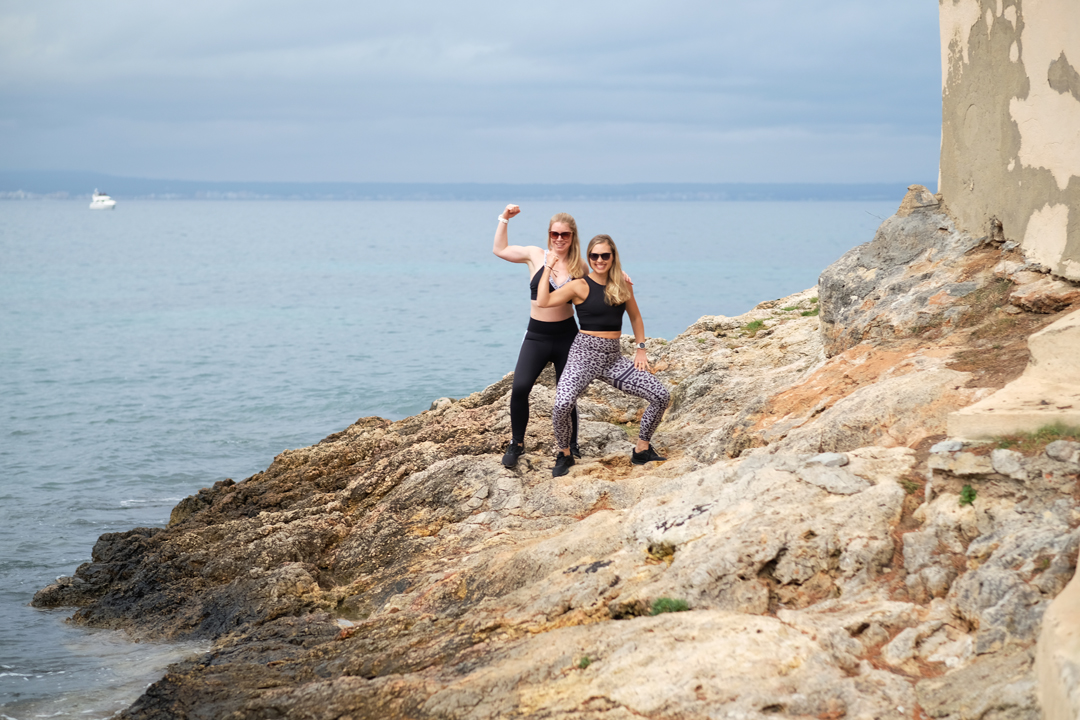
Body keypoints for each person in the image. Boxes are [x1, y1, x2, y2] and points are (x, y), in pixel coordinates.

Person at [537, 234, 670, 477]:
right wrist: (548, 267)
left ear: (613, 257)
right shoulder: (579, 285)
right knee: (562, 404)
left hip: (613, 359)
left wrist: (641, 349)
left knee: (661, 395)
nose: (599, 260)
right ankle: (565, 453)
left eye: (605, 255)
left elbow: (635, 317)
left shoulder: (622, 284)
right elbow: (543, 301)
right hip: (582, 356)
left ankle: (642, 449)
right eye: (594, 256)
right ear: (589, 257)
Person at [492, 205, 585, 467]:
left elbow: (597, 290)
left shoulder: (580, 266)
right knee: (520, 388)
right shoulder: (536, 255)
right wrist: (504, 219)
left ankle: (572, 444)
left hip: (567, 336)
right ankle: (517, 443)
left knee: (567, 394)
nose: (559, 239)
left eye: (564, 234)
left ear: (572, 236)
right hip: (537, 336)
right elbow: (500, 249)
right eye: (555, 234)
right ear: (549, 234)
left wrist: (618, 275)